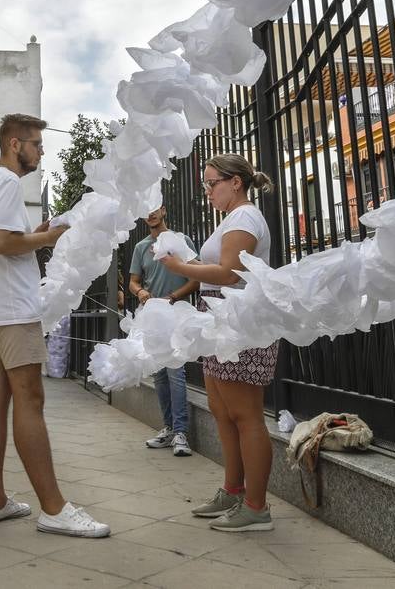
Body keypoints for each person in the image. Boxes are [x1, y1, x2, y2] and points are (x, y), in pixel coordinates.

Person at [0, 113, 111, 538]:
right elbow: (3, 243)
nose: (41, 152)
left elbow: (3, 239)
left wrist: (37, 232)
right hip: (13, 308)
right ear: (14, 144)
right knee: (31, 399)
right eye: (36, 145)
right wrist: (46, 239)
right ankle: (54, 508)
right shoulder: (8, 182)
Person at [159, 154, 277, 532]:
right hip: (221, 323)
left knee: (245, 415)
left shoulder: (244, 218)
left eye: (212, 183)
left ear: (235, 183)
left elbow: (228, 273)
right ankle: (233, 489)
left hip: (239, 325)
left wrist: (181, 268)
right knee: (223, 412)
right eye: (206, 184)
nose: (207, 190)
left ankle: (256, 508)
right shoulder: (232, 218)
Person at [129, 206, 199, 457]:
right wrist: (140, 292)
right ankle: (169, 428)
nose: (150, 213)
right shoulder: (141, 248)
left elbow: (195, 277)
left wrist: (173, 297)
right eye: (145, 209)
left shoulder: (182, 241)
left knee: (175, 372)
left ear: (164, 210)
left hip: (178, 314)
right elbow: (133, 281)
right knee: (159, 375)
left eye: (155, 208)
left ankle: (181, 432)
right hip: (153, 318)